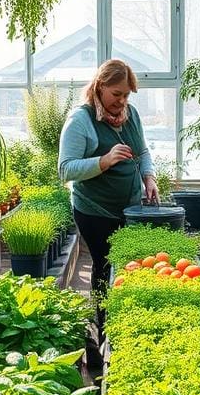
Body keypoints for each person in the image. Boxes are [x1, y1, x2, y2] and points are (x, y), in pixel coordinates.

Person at [58, 59, 159, 296]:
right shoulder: (81, 120)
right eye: (116, 94)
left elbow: (142, 151)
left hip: (130, 208)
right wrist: (104, 161)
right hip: (95, 211)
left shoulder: (131, 114)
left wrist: (149, 177)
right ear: (100, 86)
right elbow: (66, 169)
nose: (122, 101)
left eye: (126, 95)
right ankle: (102, 323)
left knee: (129, 267)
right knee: (105, 267)